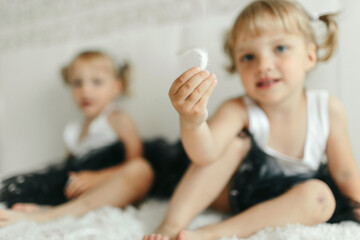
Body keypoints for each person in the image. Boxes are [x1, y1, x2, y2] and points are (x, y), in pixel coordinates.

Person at [144, 0, 360, 239]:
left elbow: (346, 174)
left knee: (321, 197)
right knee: (235, 144)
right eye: (248, 56)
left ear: (310, 56)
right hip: (242, 192)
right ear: (236, 64)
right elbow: (204, 155)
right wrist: (192, 121)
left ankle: (214, 233)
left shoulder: (327, 108)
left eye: (280, 48)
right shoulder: (238, 109)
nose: (263, 65)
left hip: (290, 203)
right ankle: (171, 225)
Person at [0, 50, 157, 226]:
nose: (85, 90)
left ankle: (49, 216)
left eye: (96, 82)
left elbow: (134, 160)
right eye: (77, 83)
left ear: (116, 87)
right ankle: (56, 211)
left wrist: (96, 178)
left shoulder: (117, 118)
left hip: (113, 183)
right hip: (82, 191)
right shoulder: (73, 130)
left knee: (142, 169)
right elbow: (69, 166)